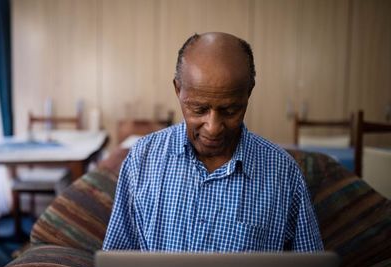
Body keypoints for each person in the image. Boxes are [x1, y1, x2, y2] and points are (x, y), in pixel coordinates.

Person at [103, 32, 323, 252]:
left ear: (249, 92)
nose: (213, 127)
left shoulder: (283, 173)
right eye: (199, 109)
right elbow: (117, 256)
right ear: (178, 90)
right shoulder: (142, 158)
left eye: (230, 110)